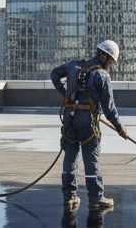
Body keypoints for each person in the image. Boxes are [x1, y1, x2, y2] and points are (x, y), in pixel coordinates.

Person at [51, 39, 127, 212]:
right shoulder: (102, 76)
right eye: (111, 62)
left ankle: (69, 197)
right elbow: (109, 108)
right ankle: (96, 197)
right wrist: (119, 128)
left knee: (70, 157)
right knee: (91, 159)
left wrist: (67, 96)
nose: (110, 65)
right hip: (88, 124)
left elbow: (54, 74)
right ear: (106, 57)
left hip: (70, 119)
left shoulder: (73, 66)